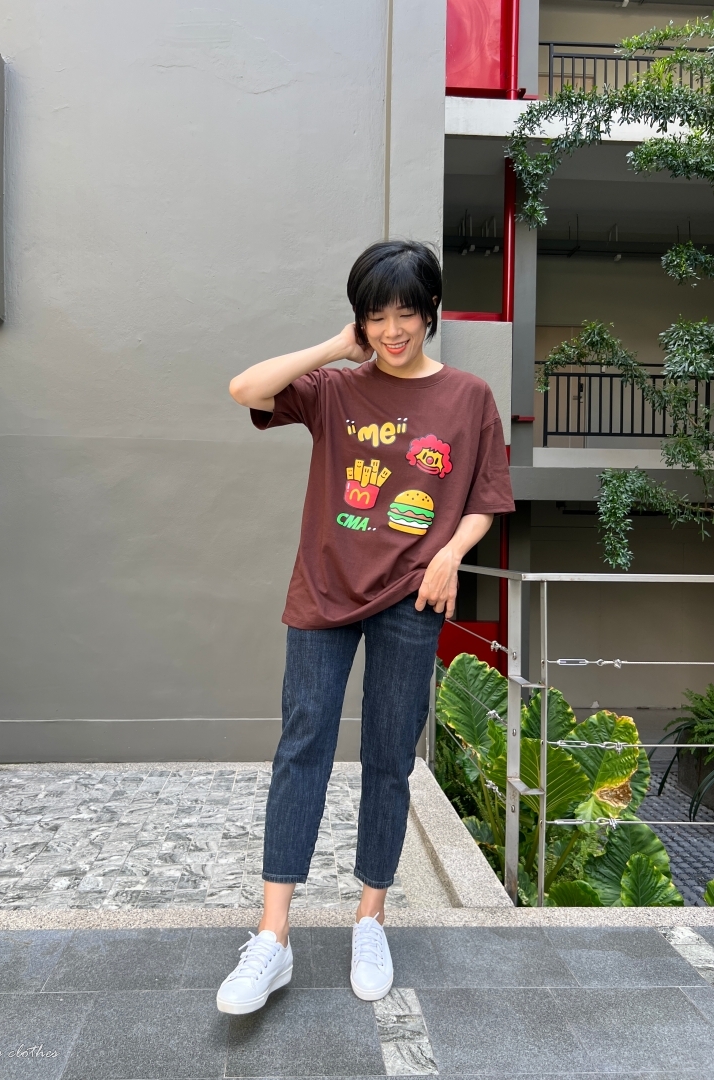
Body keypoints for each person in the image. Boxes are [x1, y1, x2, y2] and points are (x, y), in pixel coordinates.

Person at [217, 240, 514, 1014]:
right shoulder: (334, 389)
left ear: (431, 312)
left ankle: (370, 919)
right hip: (324, 590)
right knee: (302, 746)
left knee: (388, 758)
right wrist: (333, 347)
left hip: (412, 598)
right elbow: (244, 387)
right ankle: (274, 937)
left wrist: (449, 553)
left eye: (405, 313)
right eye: (376, 315)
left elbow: (485, 497)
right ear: (360, 321)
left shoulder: (469, 396)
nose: (392, 330)